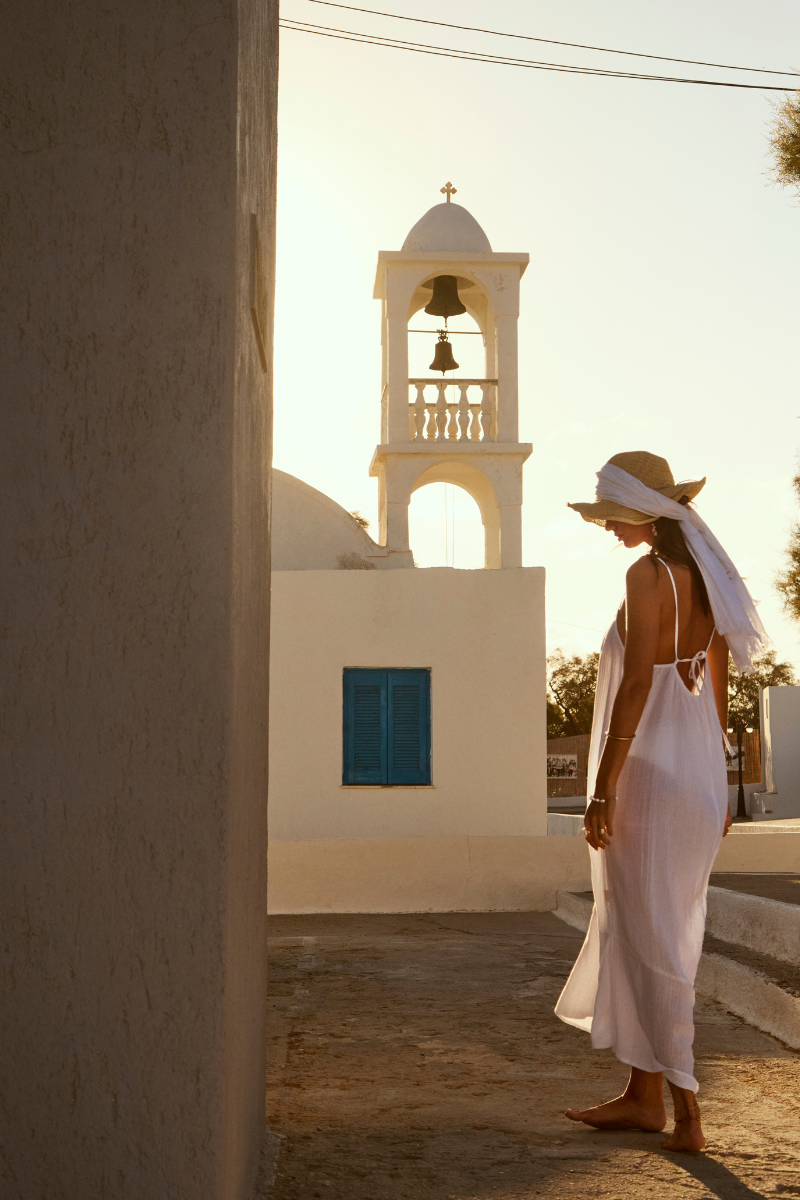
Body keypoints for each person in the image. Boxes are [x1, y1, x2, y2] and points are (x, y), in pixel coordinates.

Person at [554, 451, 769, 1153]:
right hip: (697, 778)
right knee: (653, 929)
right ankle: (642, 1096)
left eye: (613, 515)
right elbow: (716, 682)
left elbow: (638, 684)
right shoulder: (707, 577)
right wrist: (722, 783)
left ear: (645, 512)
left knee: (650, 938)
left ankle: (687, 1109)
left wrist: (602, 786)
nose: (607, 527)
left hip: (649, 778)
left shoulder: (648, 576)